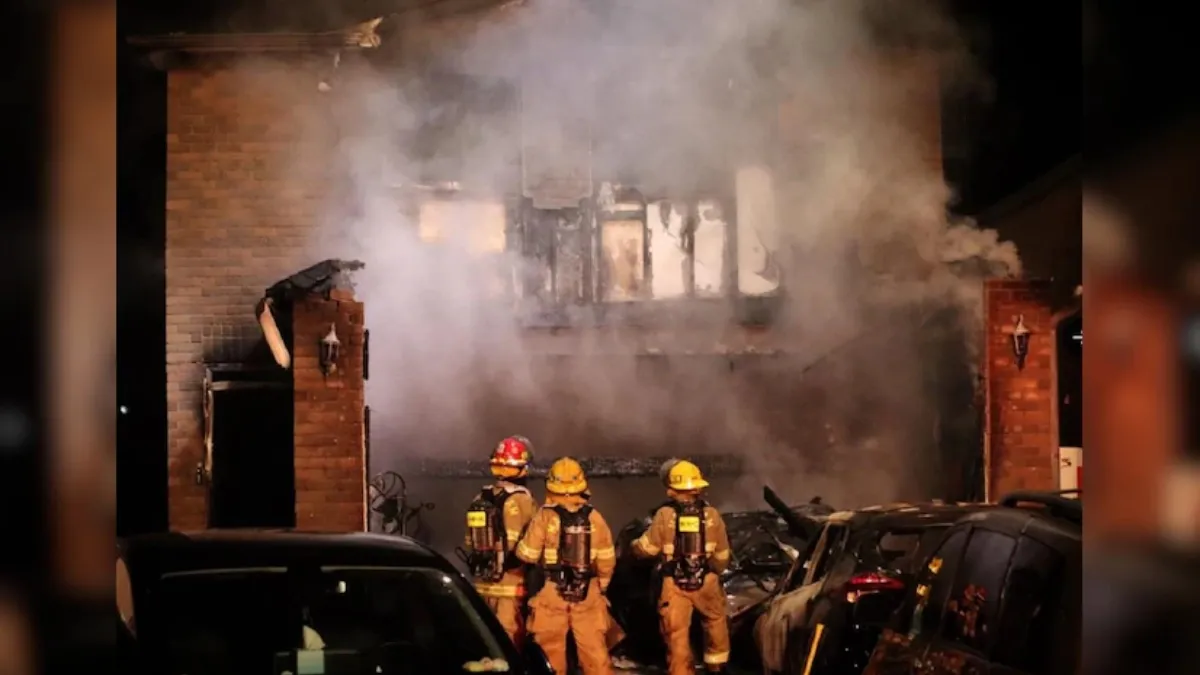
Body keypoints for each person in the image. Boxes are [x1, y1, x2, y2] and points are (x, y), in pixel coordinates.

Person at [515, 457, 617, 675]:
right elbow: (607, 559)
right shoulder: (595, 517)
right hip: (588, 591)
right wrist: (601, 586)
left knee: (550, 653)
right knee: (595, 653)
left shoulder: (544, 516)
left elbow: (528, 555)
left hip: (552, 591)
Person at [632, 459, 732, 675]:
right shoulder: (712, 515)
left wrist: (634, 547)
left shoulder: (665, 515)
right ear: (698, 487)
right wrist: (712, 573)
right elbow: (722, 556)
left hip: (674, 584)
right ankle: (717, 667)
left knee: (676, 634)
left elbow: (648, 549)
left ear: (671, 489)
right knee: (715, 623)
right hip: (706, 581)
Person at [461, 436, 539, 646]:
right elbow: (534, 541)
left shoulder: (480, 498)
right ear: (523, 468)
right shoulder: (523, 499)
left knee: (485, 637)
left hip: (482, 582)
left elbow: (470, 541)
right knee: (509, 640)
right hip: (511, 584)